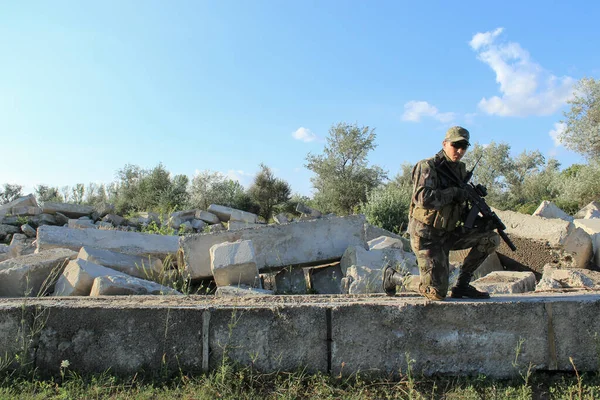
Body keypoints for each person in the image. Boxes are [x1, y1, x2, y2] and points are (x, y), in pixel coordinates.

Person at [383, 126, 500, 300]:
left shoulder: (459, 171)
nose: (460, 151)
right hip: (427, 237)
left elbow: (459, 210)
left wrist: (480, 221)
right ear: (445, 144)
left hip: (448, 233)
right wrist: (454, 192)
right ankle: (394, 277)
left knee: (491, 238)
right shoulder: (428, 166)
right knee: (436, 292)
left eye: (464, 147)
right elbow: (422, 198)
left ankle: (462, 286)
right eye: (456, 145)